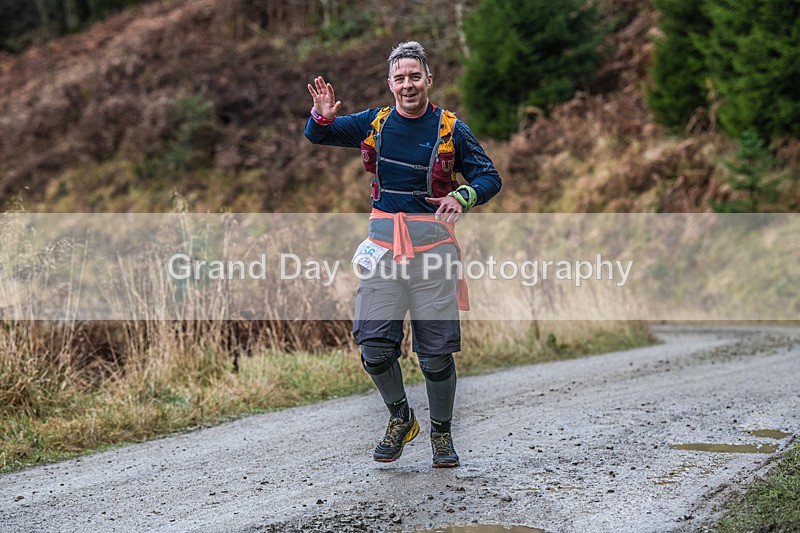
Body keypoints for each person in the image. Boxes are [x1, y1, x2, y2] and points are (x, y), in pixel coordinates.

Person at [304, 41, 501, 468]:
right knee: (374, 347)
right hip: (383, 253)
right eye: (400, 78)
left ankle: (442, 434)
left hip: (434, 254)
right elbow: (317, 135)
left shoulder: (451, 129)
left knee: (435, 353)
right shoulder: (373, 123)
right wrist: (321, 115)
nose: (408, 84)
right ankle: (401, 418)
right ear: (389, 83)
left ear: (428, 79)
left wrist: (463, 196)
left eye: (415, 76)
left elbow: (489, 176)